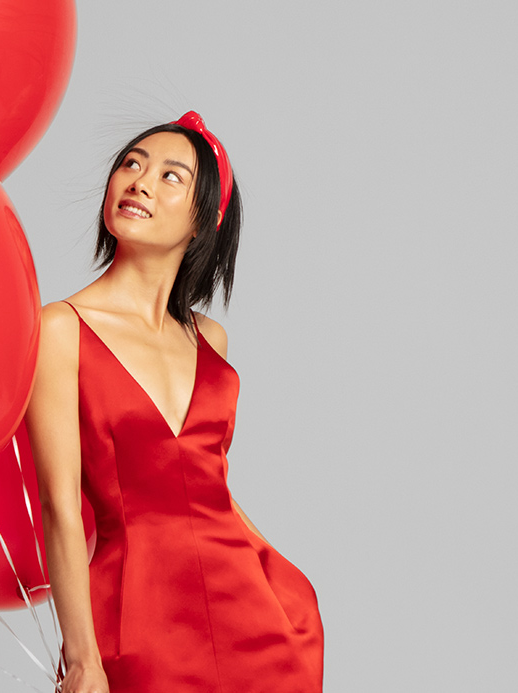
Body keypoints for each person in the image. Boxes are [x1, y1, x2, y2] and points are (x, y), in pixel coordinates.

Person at [28, 112, 323, 693]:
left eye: (171, 176)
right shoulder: (61, 329)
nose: (139, 181)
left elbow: (209, 490)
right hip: (138, 615)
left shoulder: (210, 340)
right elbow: (60, 509)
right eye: (131, 164)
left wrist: (287, 582)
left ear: (202, 220)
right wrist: (84, 659)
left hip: (256, 614)